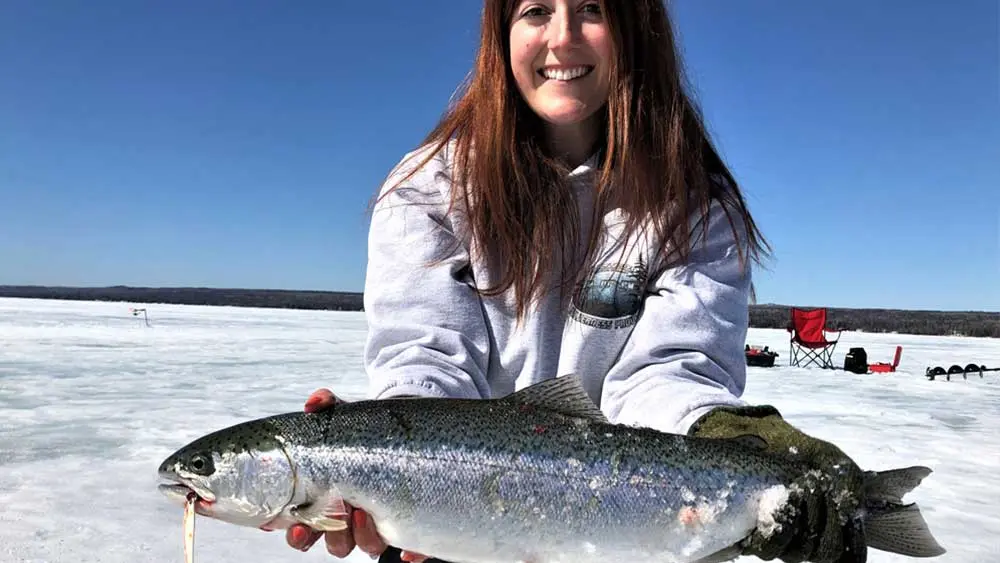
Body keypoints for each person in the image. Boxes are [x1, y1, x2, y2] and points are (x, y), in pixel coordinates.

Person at [284, 1, 868, 562]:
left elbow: (668, 370)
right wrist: (397, 466)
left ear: (637, 28)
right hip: (451, 536)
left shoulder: (694, 206)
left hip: (633, 531)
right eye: (536, 11)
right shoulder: (427, 190)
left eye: (593, 8)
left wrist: (721, 433)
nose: (562, 37)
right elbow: (428, 357)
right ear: (501, 35)